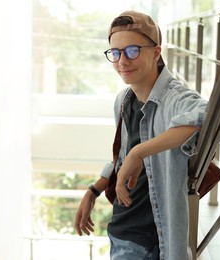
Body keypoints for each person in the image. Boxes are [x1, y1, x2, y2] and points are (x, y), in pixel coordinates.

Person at [75, 10, 208, 260]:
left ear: (156, 52)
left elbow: (206, 115)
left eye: (132, 50)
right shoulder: (124, 101)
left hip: (149, 240)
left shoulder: (173, 98)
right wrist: (94, 190)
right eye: (115, 53)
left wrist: (139, 153)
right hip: (121, 230)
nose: (122, 61)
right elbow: (124, 156)